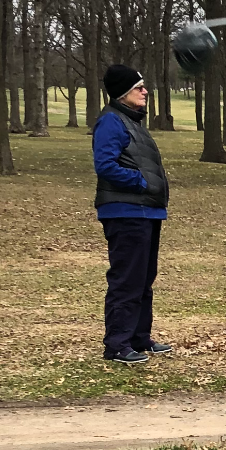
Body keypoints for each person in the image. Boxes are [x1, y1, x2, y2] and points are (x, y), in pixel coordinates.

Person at [92, 64, 172, 365]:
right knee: (127, 279)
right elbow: (106, 165)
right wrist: (142, 182)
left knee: (144, 278)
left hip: (146, 212)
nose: (145, 91)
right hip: (125, 211)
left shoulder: (133, 121)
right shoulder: (112, 121)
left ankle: (139, 338)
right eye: (139, 87)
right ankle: (117, 345)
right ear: (123, 92)